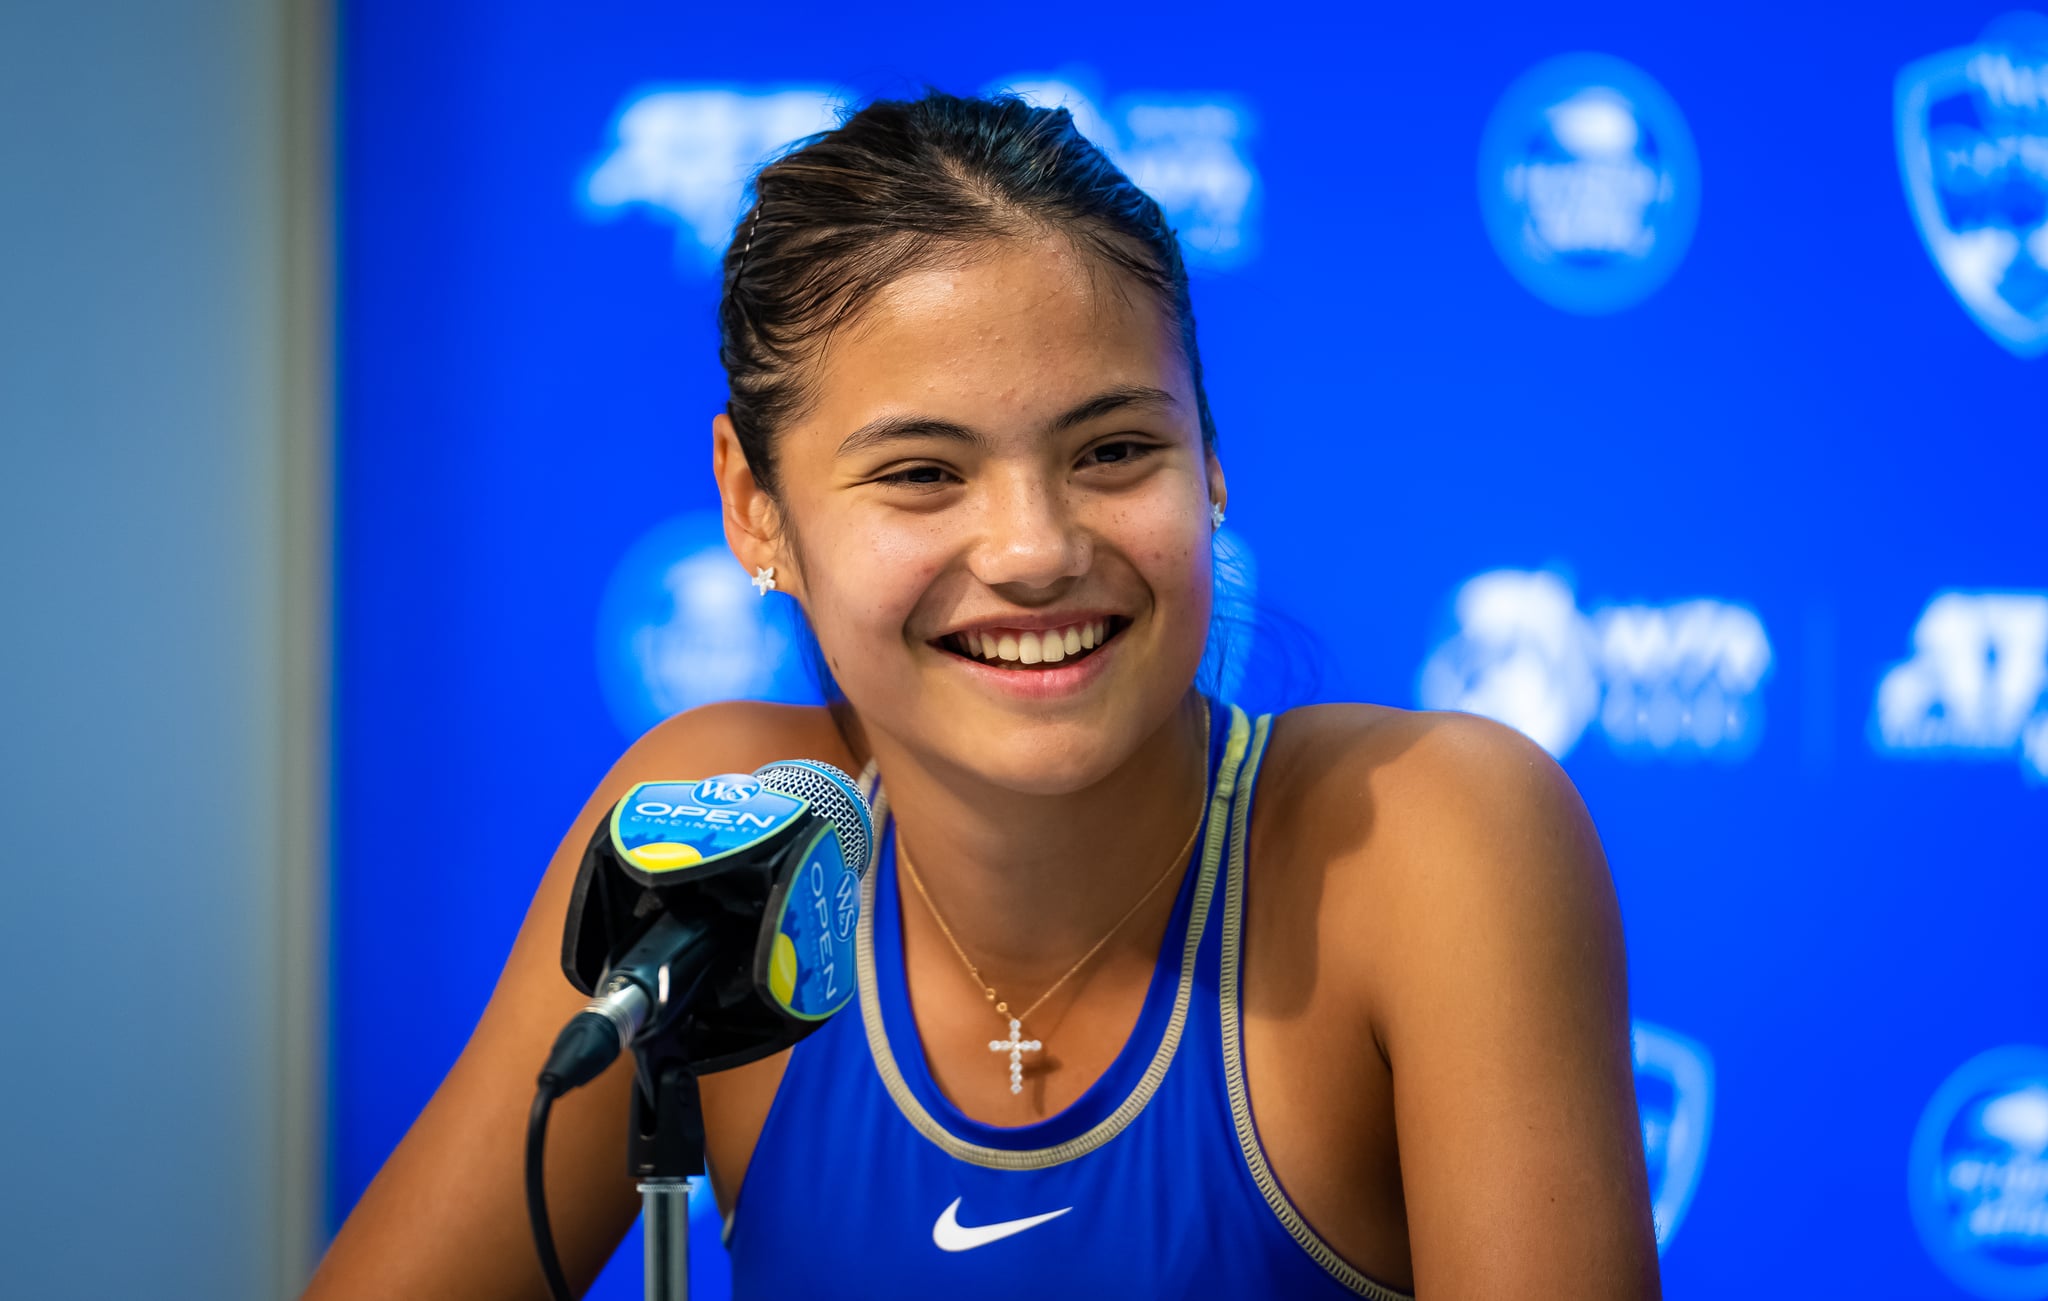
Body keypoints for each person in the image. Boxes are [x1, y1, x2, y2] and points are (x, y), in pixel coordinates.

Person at [306, 91, 1660, 1299]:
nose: (1034, 550)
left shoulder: (1430, 842)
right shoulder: (720, 836)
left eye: (1116, 448)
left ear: (1212, 460)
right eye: (921, 473)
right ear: (753, 507)